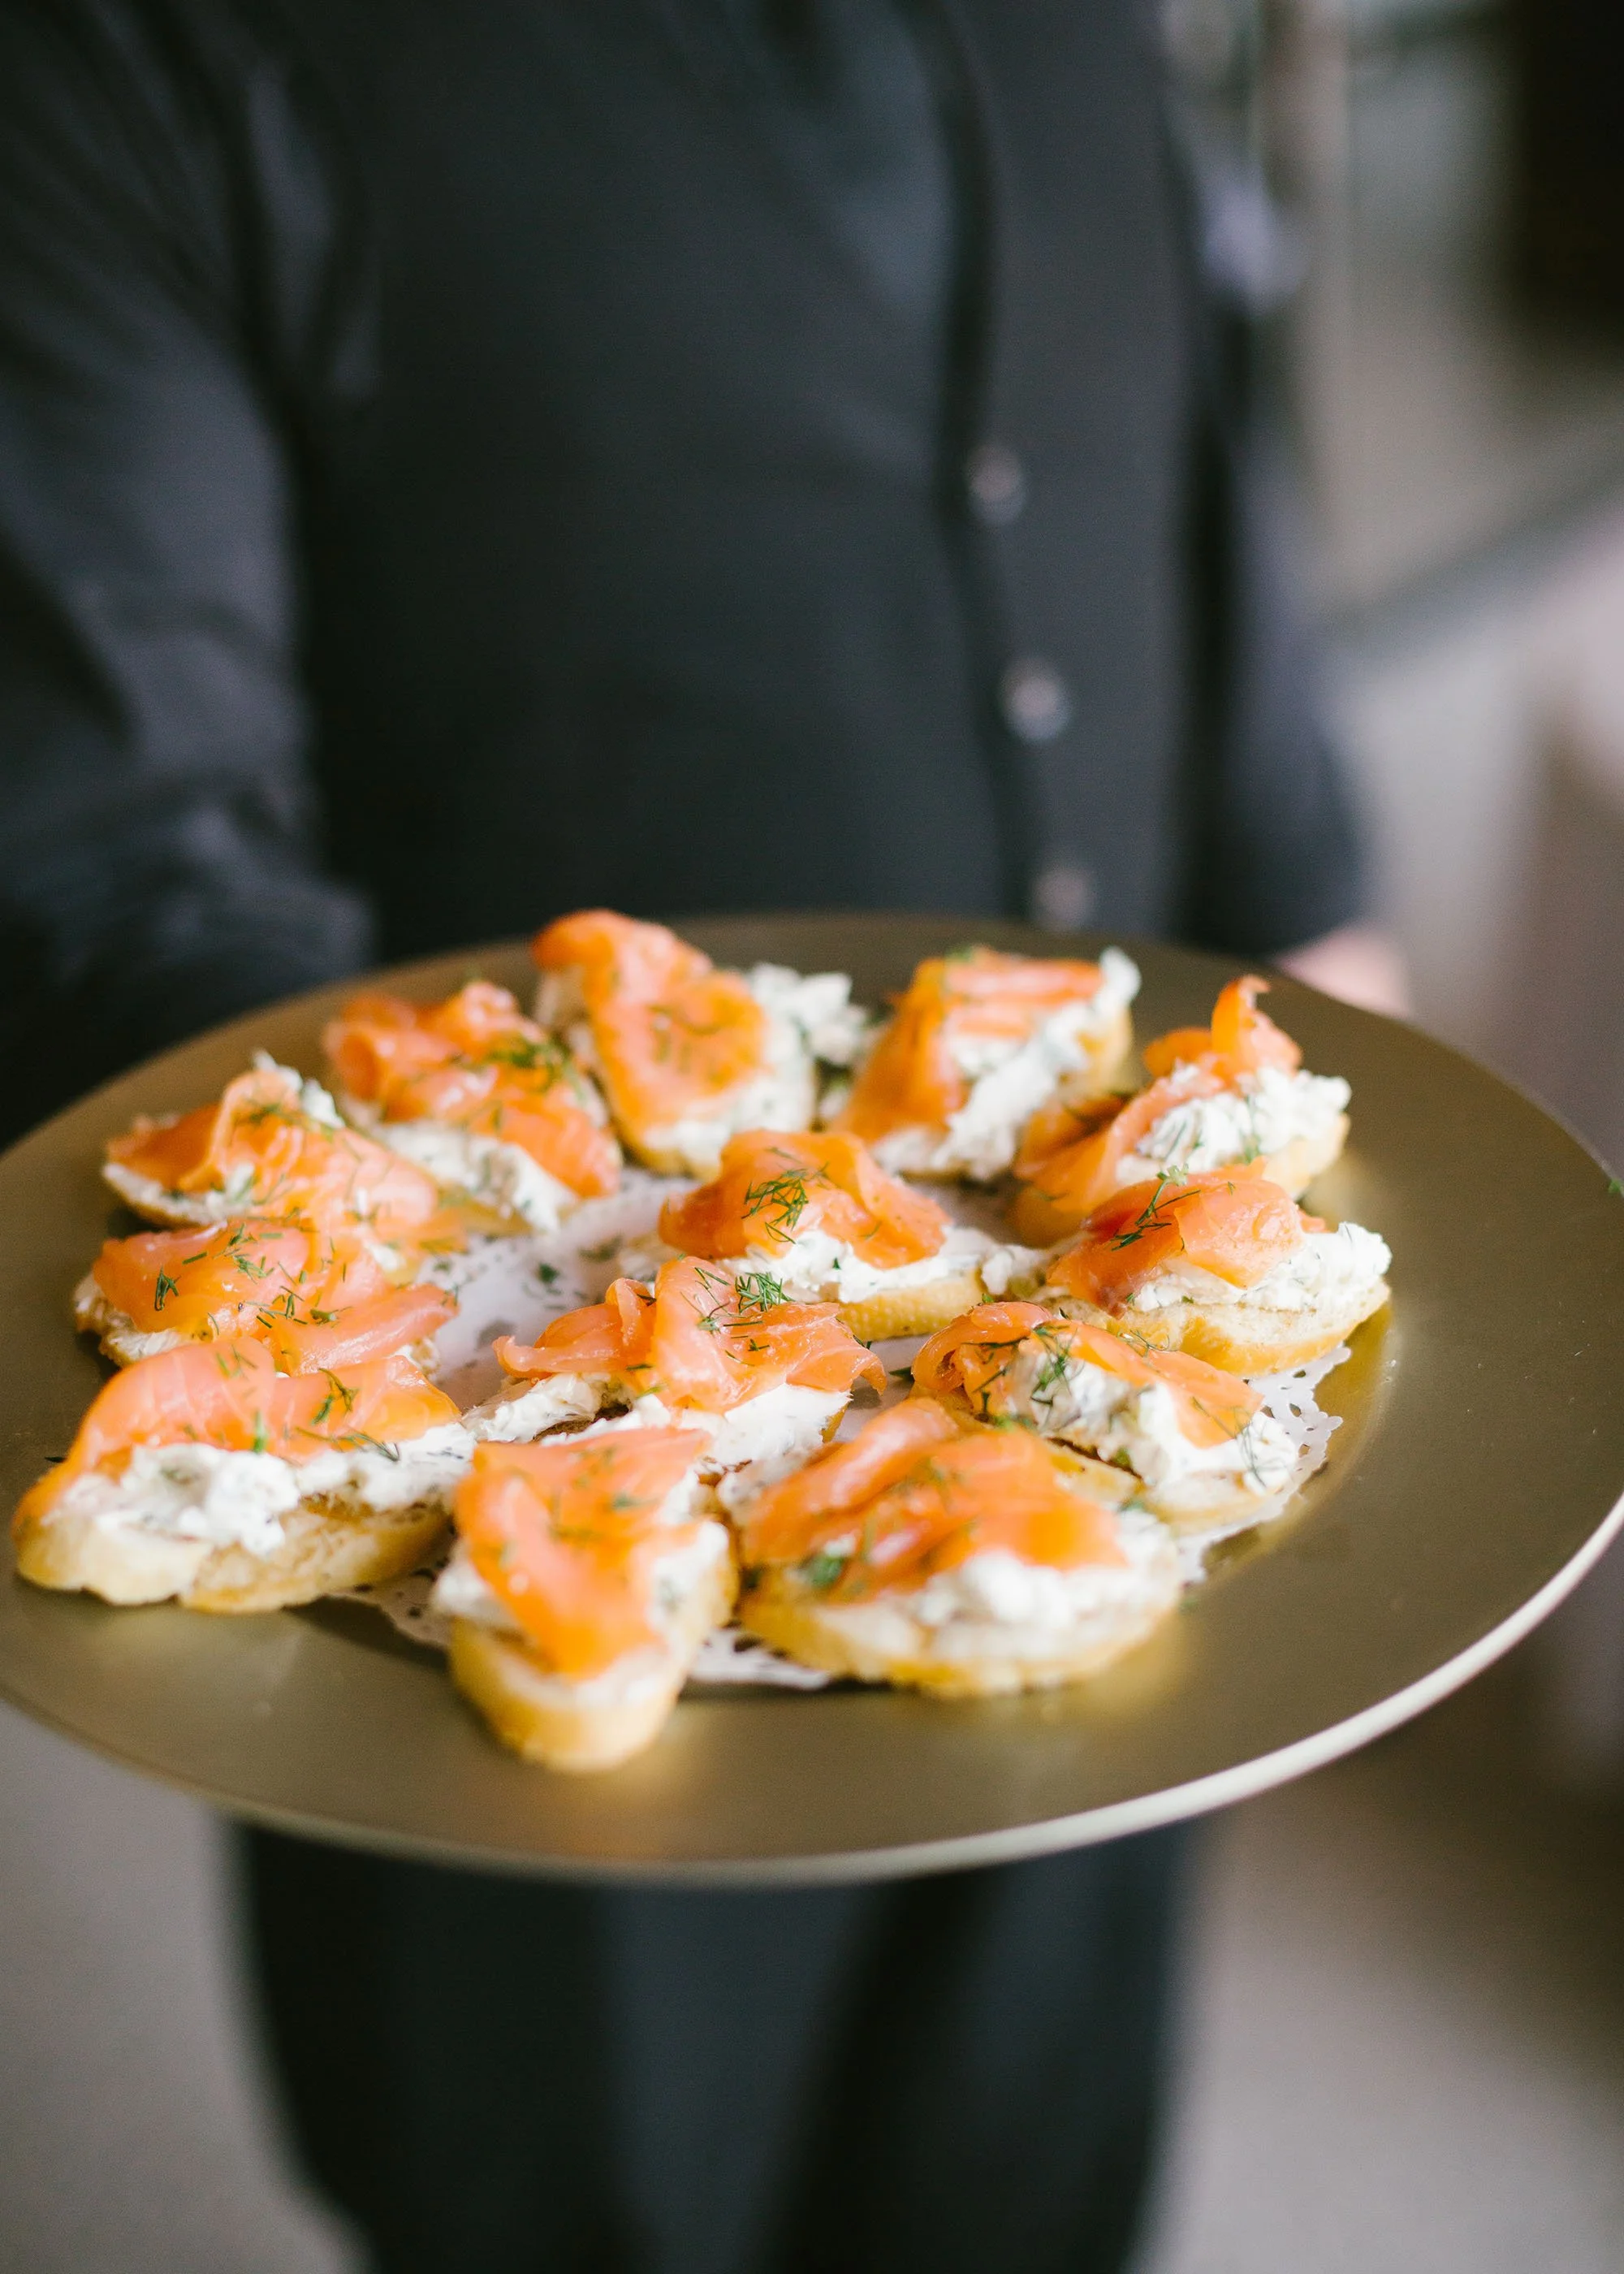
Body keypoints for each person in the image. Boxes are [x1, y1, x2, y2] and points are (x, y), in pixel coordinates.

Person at [0, 3, 1402, 2269]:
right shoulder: (131, 53)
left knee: (1032, 2175)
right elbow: (109, 855)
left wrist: (1310, 896)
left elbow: (1173, 373)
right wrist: (443, 1334)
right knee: (582, 2199)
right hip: (524, 1507)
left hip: (1105, 1399)